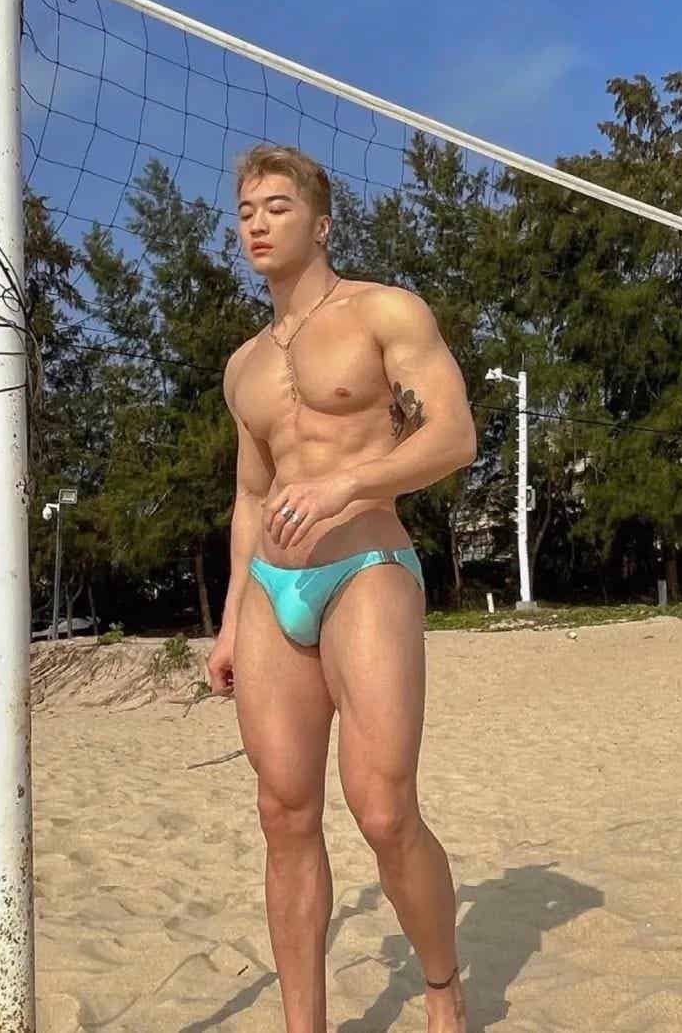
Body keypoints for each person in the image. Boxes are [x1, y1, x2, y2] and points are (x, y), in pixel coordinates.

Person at [207, 144, 476, 1033]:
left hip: (365, 566)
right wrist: (230, 619)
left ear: (321, 225)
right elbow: (251, 496)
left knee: (384, 807)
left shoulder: (384, 311)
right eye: (247, 210)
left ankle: (441, 987)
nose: (257, 223)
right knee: (283, 811)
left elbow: (454, 437)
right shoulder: (244, 365)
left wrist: (347, 486)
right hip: (271, 590)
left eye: (277, 207)